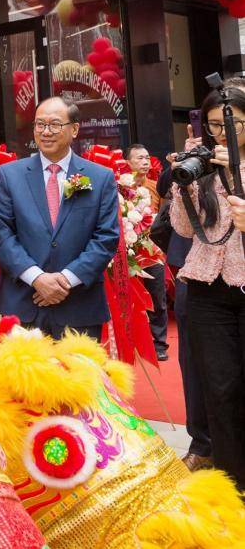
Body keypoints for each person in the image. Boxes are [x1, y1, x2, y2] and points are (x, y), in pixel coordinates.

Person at [0, 96, 120, 340]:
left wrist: (64, 280)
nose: (46, 132)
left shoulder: (100, 178)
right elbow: (2, 234)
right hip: (21, 305)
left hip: (79, 305)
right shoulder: (10, 175)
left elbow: (106, 238)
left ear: (75, 129)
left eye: (55, 125)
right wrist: (37, 278)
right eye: (40, 124)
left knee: (77, 377)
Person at [170, 86, 245, 488]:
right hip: (206, 289)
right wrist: (184, 183)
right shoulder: (205, 164)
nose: (221, 133)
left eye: (229, 125)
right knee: (219, 389)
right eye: (214, 125)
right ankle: (233, 485)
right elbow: (185, 228)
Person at [163, 149, 212, 470]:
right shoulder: (198, 155)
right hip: (192, 270)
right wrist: (181, 167)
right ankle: (203, 444)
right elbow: (165, 189)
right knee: (194, 361)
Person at [125, 143, 168, 360]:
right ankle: (130, 343)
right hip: (128, 252)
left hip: (153, 251)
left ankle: (159, 344)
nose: (145, 161)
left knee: (157, 297)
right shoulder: (121, 187)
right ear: (128, 163)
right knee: (130, 298)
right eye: (139, 158)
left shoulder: (155, 186)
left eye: (147, 157)